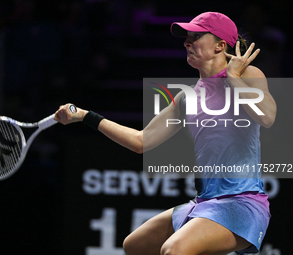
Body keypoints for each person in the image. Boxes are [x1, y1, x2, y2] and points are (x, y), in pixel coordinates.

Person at [54, 12, 277, 255]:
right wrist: (85, 115)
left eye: (196, 36)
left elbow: (267, 117)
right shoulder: (186, 98)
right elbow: (141, 141)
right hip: (205, 203)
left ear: (220, 46)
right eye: (186, 38)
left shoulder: (249, 76)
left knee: (174, 250)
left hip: (242, 202)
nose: (186, 43)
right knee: (135, 246)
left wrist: (233, 77)